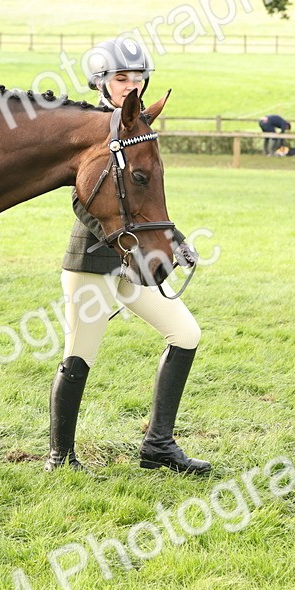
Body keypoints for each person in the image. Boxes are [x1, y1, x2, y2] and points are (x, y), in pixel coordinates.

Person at [46, 38, 211, 476]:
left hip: (131, 264)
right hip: (91, 264)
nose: (131, 85)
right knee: (80, 356)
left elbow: (144, 199)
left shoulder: (138, 128)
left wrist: (171, 238)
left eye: (138, 79)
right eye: (122, 78)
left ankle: (158, 445)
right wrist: (134, 243)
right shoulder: (92, 129)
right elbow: (87, 202)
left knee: (186, 333)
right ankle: (60, 459)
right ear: (101, 83)